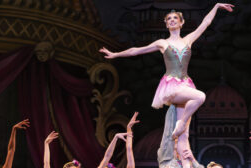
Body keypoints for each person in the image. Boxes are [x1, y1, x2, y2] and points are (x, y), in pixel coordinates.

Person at [99, 3, 235, 153]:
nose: (172, 20)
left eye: (175, 18)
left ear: (181, 22)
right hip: (172, 85)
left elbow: (206, 23)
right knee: (200, 97)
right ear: (166, 24)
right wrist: (116, 54)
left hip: (186, 84)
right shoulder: (162, 43)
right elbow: (136, 51)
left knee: (184, 136)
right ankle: (181, 123)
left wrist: (216, 6)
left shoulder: (188, 40)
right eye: (169, 18)